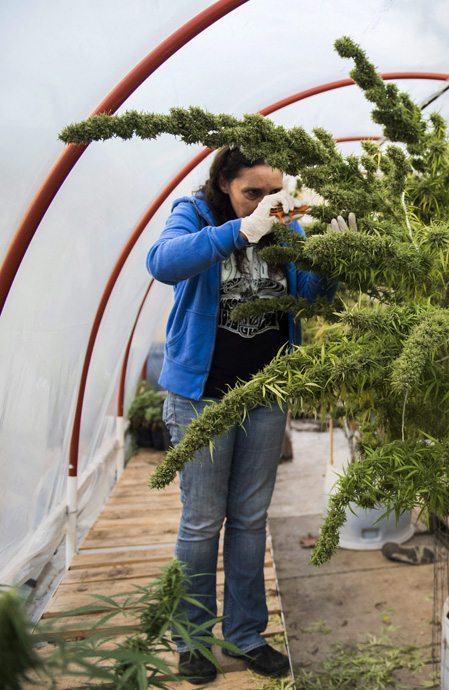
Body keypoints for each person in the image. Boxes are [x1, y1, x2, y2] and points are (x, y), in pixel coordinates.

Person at [147, 146, 338, 683]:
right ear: (225, 184)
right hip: (202, 395)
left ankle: (247, 634)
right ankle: (191, 640)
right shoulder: (196, 215)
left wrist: (332, 257)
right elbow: (163, 263)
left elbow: (309, 297)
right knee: (203, 520)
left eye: (273, 192)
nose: (265, 202)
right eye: (252, 192)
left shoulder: (285, 224)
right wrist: (241, 231)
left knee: (251, 520)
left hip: (265, 393)